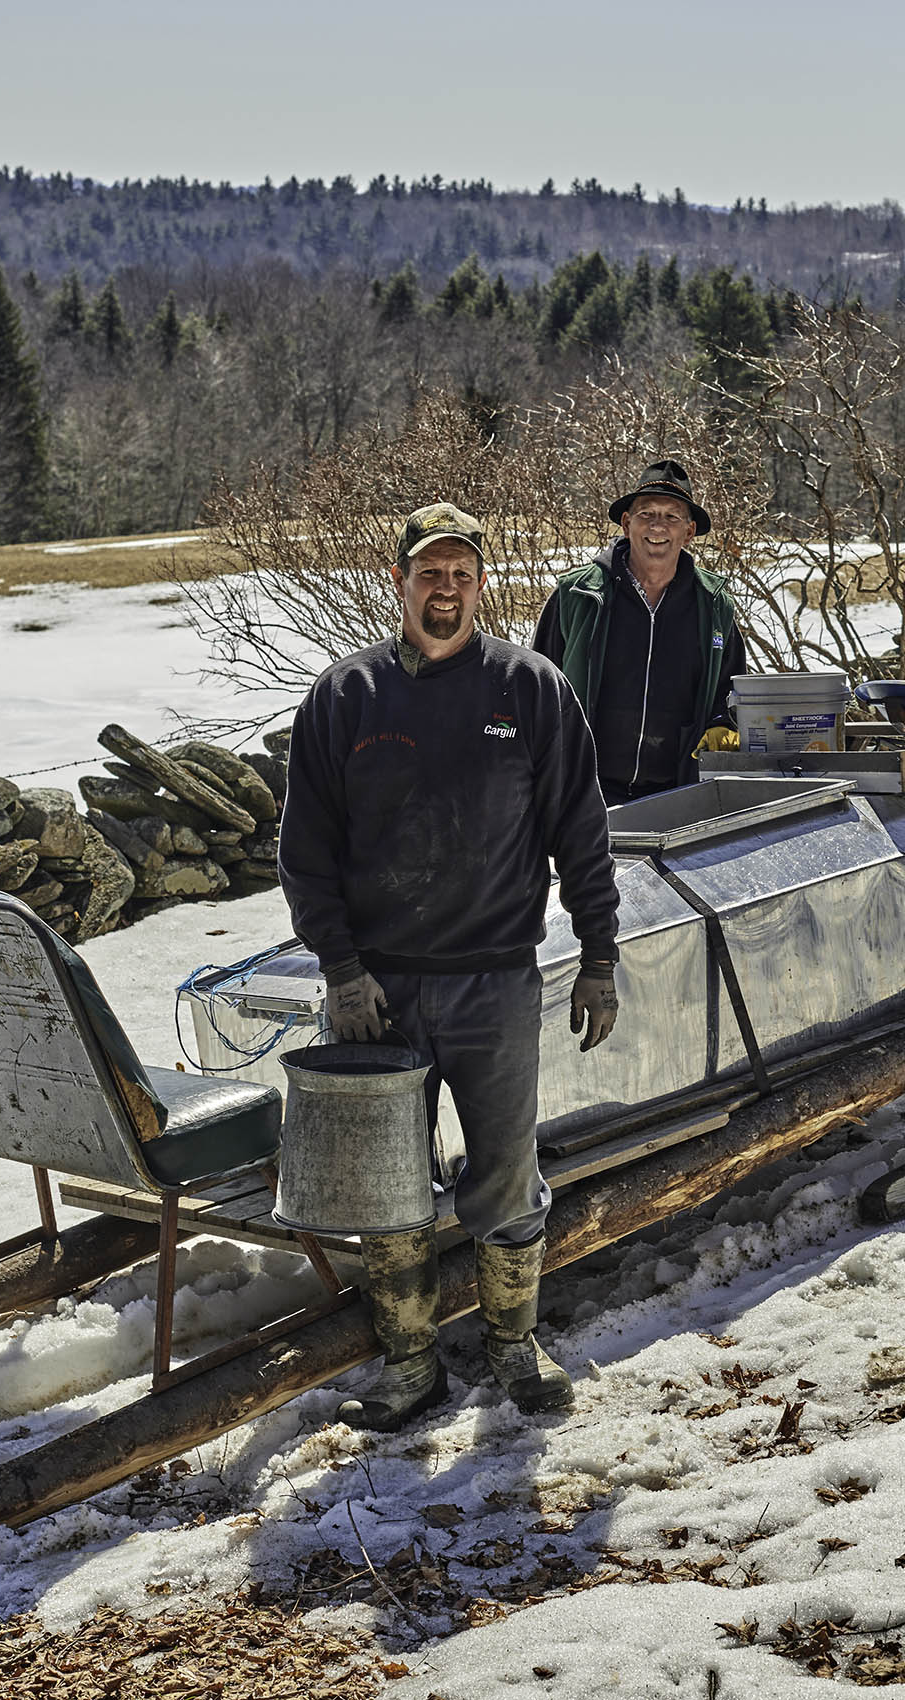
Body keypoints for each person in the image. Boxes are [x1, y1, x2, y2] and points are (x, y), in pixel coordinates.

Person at [278, 501, 623, 1431]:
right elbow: (305, 853)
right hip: (377, 994)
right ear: (399, 581)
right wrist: (342, 970)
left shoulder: (531, 687)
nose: (446, 588)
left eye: (462, 573)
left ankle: (512, 1345)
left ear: (482, 584)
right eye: (429, 572)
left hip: (495, 981)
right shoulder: (346, 696)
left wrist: (598, 955)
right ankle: (410, 1366)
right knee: (387, 1188)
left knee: (505, 1177)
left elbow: (581, 833)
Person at [533, 459, 748, 805]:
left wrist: (724, 723)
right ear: (626, 523)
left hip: (679, 792)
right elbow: (537, 687)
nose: (658, 526)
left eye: (672, 516)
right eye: (647, 514)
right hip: (584, 792)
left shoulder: (713, 605)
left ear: (689, 532)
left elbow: (732, 689)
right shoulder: (578, 595)